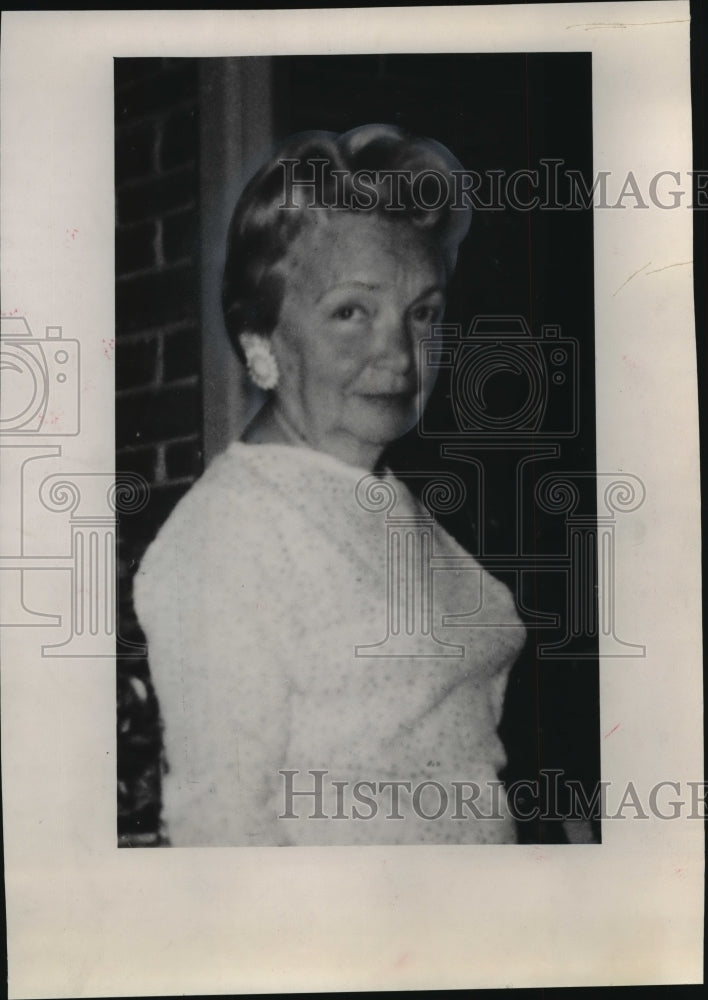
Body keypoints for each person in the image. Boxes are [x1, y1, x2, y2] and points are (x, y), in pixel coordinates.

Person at [134, 124, 527, 846]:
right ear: (260, 342)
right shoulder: (230, 533)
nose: (400, 355)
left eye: (423, 315)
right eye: (352, 312)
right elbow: (222, 837)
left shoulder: (393, 507)